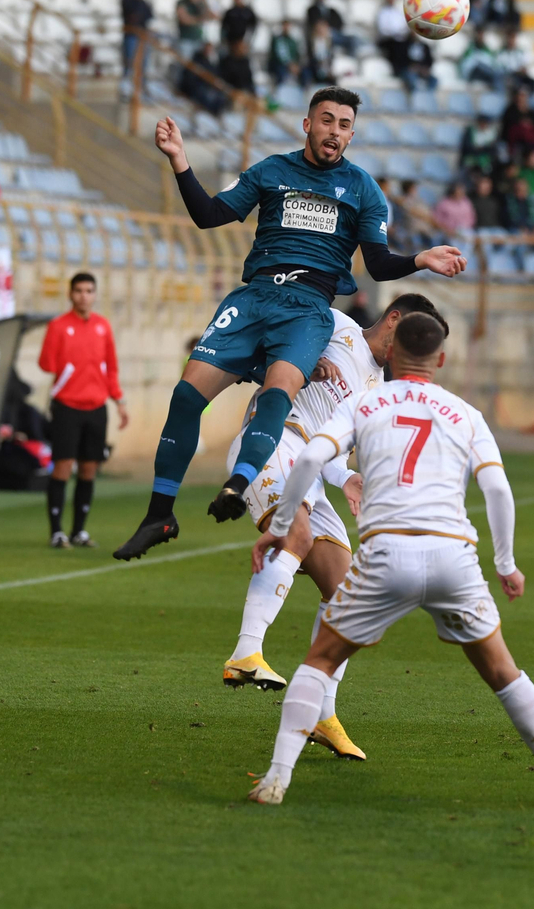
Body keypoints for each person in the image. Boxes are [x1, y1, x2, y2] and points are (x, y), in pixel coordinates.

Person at [111, 90, 466, 561]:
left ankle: (237, 485)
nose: (334, 132)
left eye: (343, 125)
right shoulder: (271, 171)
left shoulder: (363, 190)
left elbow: (377, 265)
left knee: (278, 393)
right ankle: (160, 514)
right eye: (327, 121)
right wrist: (179, 160)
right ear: (307, 125)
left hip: (307, 309)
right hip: (254, 297)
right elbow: (210, 215)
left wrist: (419, 259)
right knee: (184, 396)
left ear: (351, 135)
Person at [246, 311, 534, 807]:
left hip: (385, 553)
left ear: (393, 350)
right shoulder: (466, 414)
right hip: (453, 557)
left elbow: (313, 459)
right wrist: (506, 564)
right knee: (502, 670)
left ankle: (276, 780)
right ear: (440, 359)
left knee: (319, 660)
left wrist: (279, 527)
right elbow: (497, 489)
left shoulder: (365, 402)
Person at [220, 297, 439, 756]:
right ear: (393, 319)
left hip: (312, 470)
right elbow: (261, 343)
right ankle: (245, 652)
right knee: (295, 536)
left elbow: (335, 449)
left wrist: (349, 477)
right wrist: (301, 359)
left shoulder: (376, 389)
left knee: (345, 591)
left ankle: (324, 716)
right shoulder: (332, 324)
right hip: (272, 442)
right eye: (413, 341)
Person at [38, 273, 128, 549]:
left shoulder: (103, 326)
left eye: (89, 290)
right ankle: (56, 531)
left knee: (89, 469)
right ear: (70, 294)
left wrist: (119, 400)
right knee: (63, 466)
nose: (84, 296)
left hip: (96, 407)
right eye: (79, 290)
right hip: (66, 406)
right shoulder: (58, 326)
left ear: (95, 294)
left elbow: (110, 368)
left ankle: (79, 531)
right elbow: (46, 363)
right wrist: (65, 366)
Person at [119, 0, 152, 82]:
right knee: (129, 63)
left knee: (143, 64)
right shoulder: (126, 1)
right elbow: (130, 16)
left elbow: (148, 17)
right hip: (131, 35)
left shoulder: (144, 2)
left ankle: (141, 88)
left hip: (142, 36)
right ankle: (126, 88)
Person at [267, 20, 302, 88]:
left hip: (292, 65)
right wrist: (289, 65)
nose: (286, 28)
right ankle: (279, 91)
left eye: (288, 26)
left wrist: (296, 65)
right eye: (285, 26)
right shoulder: (278, 40)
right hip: (279, 64)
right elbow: (279, 55)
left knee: (304, 72)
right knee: (281, 72)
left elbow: (297, 55)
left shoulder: (292, 41)